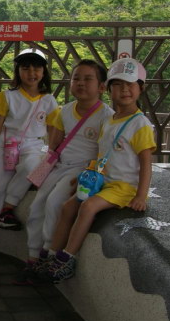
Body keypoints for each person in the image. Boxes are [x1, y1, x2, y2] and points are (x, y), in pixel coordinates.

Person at [44, 58, 155, 283]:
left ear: (140, 89)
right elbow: (103, 155)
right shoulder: (110, 120)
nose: (124, 90)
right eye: (118, 84)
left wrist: (141, 196)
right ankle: (52, 254)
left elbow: (146, 163)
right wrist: (85, 175)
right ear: (108, 89)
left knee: (88, 207)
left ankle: (67, 258)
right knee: (68, 206)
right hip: (102, 180)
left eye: (130, 85)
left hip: (123, 186)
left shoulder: (140, 124)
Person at [16, 60, 113, 284]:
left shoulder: (106, 116)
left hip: (82, 170)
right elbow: (54, 145)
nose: (80, 83)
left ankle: (49, 255)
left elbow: (105, 154)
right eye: (76, 78)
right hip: (60, 166)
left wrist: (87, 177)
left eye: (88, 79)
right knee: (37, 206)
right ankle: (33, 257)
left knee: (54, 204)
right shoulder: (65, 111)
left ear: (101, 86)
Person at [0, 48, 58, 258]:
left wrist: (53, 153)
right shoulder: (7, 96)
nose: (32, 73)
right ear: (18, 72)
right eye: (25, 68)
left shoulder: (49, 100)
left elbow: (52, 130)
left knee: (32, 167)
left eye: (37, 68)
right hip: (6, 144)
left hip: (33, 145)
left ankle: (7, 208)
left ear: (44, 72)